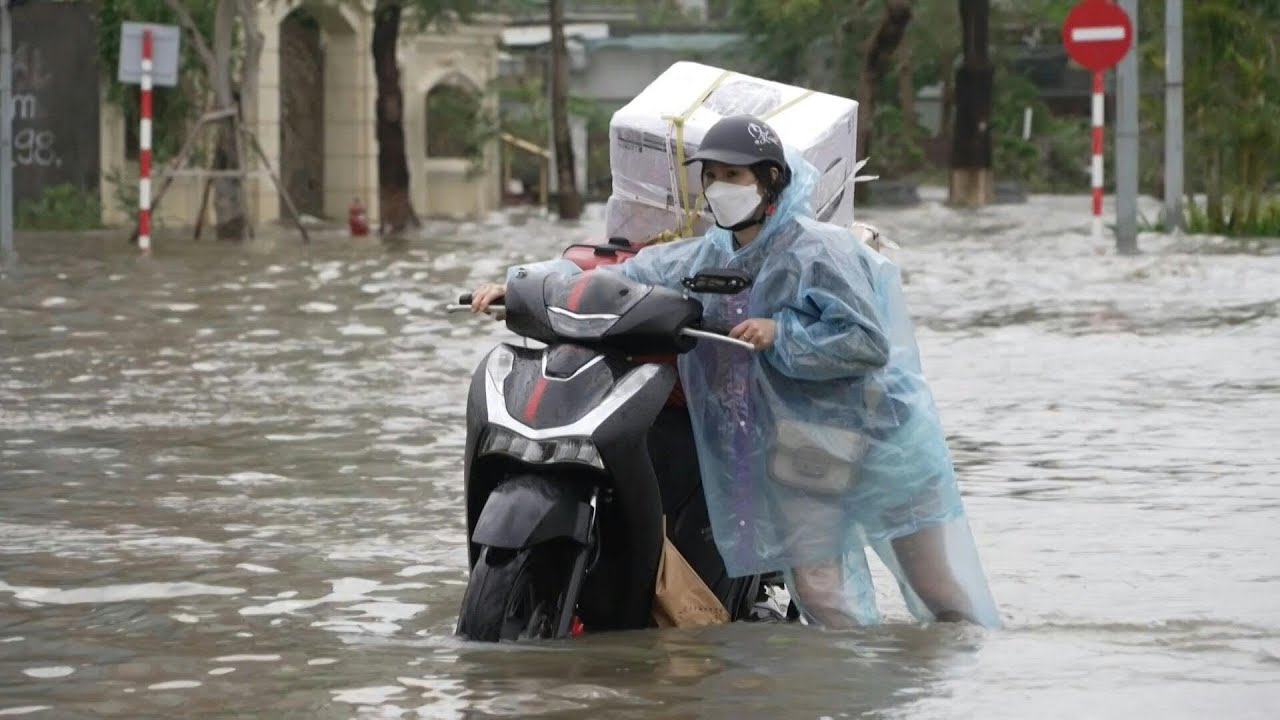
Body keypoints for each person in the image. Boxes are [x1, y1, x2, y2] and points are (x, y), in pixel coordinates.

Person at [470, 114, 1000, 628]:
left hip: (880, 437)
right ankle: (850, 697)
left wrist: (782, 333)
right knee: (819, 592)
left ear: (770, 181)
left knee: (937, 592)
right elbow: (620, 274)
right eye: (712, 176)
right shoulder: (704, 256)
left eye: (734, 175)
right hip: (803, 450)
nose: (720, 187)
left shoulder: (823, 250)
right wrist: (520, 287)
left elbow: (866, 343)